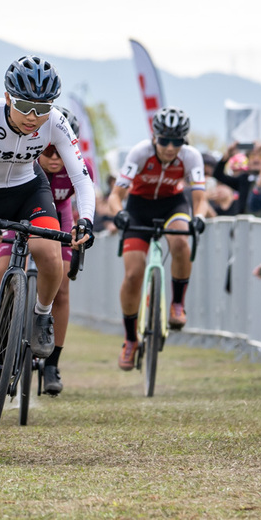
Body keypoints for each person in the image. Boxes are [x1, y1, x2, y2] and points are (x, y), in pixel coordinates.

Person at [0, 55, 95, 433]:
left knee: (48, 251)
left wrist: (87, 217)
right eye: (24, 107)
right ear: (8, 97)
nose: (32, 117)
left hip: (29, 191)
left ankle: (41, 316)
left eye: (42, 109)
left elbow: (82, 174)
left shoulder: (54, 122)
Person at [0, 107, 91, 395]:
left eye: (61, 152)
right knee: (3, 275)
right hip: (22, 210)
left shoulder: (78, 165)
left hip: (59, 215)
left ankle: (51, 364)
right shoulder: (24, 161)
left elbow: (82, 198)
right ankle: (2, 344)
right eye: (49, 152)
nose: (56, 159)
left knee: (61, 288)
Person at [107, 107, 207, 371]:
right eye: (165, 141)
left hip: (172, 205)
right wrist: (119, 215)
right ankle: (130, 340)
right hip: (138, 209)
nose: (171, 148)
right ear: (155, 137)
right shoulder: (140, 152)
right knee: (133, 275)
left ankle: (177, 304)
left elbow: (199, 197)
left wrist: (199, 216)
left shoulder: (191, 156)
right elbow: (115, 196)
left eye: (178, 142)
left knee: (180, 242)